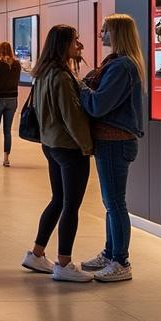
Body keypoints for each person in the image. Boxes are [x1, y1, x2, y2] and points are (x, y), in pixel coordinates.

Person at [21, 25, 96, 283]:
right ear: (63, 44)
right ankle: (63, 263)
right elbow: (72, 117)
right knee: (70, 205)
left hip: (50, 144)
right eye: (75, 41)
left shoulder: (42, 73)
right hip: (69, 147)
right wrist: (87, 146)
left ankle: (37, 252)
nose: (79, 45)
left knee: (58, 199)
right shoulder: (62, 77)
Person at [78, 14, 147, 283]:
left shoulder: (121, 67)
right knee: (111, 202)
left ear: (117, 33)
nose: (100, 34)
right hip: (112, 142)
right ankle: (110, 253)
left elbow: (98, 105)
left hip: (115, 142)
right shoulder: (120, 64)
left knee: (115, 203)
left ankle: (121, 260)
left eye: (105, 30)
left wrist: (81, 86)